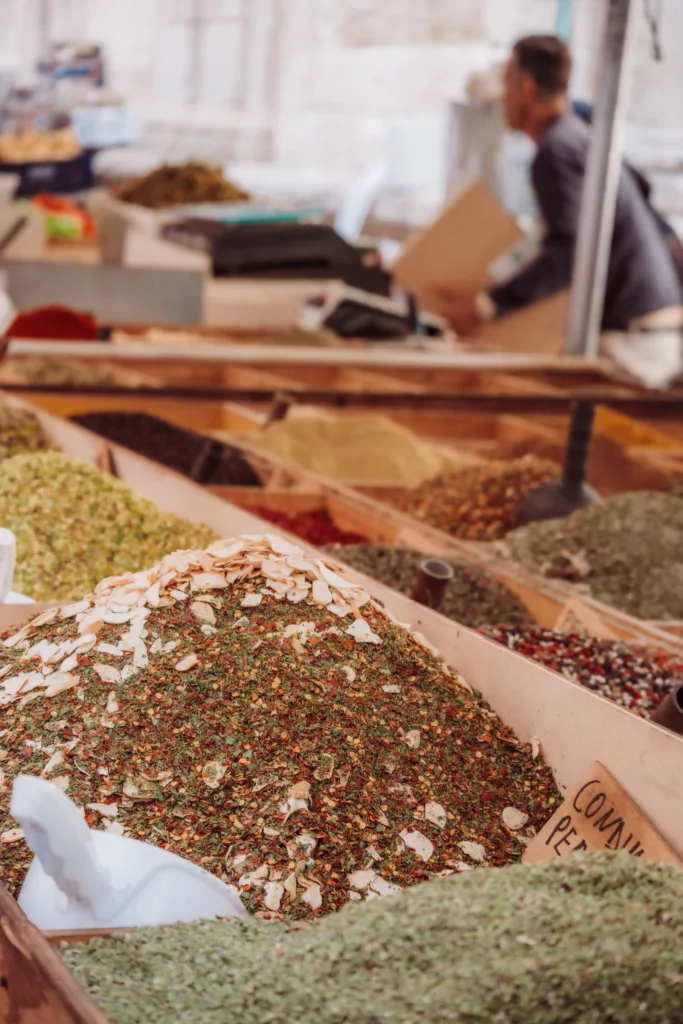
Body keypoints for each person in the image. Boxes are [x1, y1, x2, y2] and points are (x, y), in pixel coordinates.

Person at [436, 35, 683, 388]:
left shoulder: (556, 150)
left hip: (634, 340)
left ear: (526, 88)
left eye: (506, 85)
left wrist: (488, 304)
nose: (502, 99)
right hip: (654, 329)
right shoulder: (582, 136)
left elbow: (569, 251)